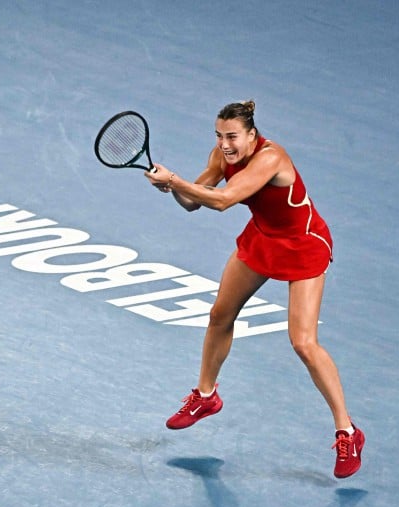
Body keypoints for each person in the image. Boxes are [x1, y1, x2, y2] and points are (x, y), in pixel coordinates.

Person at [144, 100, 364, 478]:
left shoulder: (271, 159)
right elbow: (195, 200)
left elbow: (226, 200)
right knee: (220, 315)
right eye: (218, 135)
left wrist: (176, 181)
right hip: (263, 239)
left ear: (251, 134)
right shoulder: (221, 154)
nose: (224, 144)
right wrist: (172, 188)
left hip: (302, 244)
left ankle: (348, 431)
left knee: (303, 342)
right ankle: (206, 396)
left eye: (232, 136)